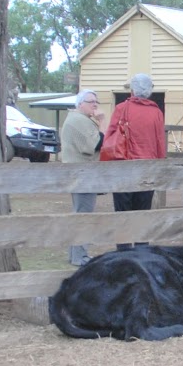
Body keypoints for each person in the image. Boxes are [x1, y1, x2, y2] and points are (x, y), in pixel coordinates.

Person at [103, 73, 167, 248]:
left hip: (124, 166)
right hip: (148, 168)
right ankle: (142, 250)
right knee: (143, 213)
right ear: (150, 92)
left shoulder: (121, 109)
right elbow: (160, 142)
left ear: (132, 90)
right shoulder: (156, 112)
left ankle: (123, 252)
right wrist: (160, 164)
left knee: (123, 213)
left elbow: (110, 136)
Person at [59, 89, 106, 266]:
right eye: (90, 101)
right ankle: (80, 256)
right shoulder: (79, 120)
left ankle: (75, 254)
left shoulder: (79, 120)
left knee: (79, 214)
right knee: (84, 216)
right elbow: (96, 144)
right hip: (83, 176)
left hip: (79, 175)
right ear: (80, 104)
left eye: (96, 101)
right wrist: (102, 122)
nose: (95, 104)